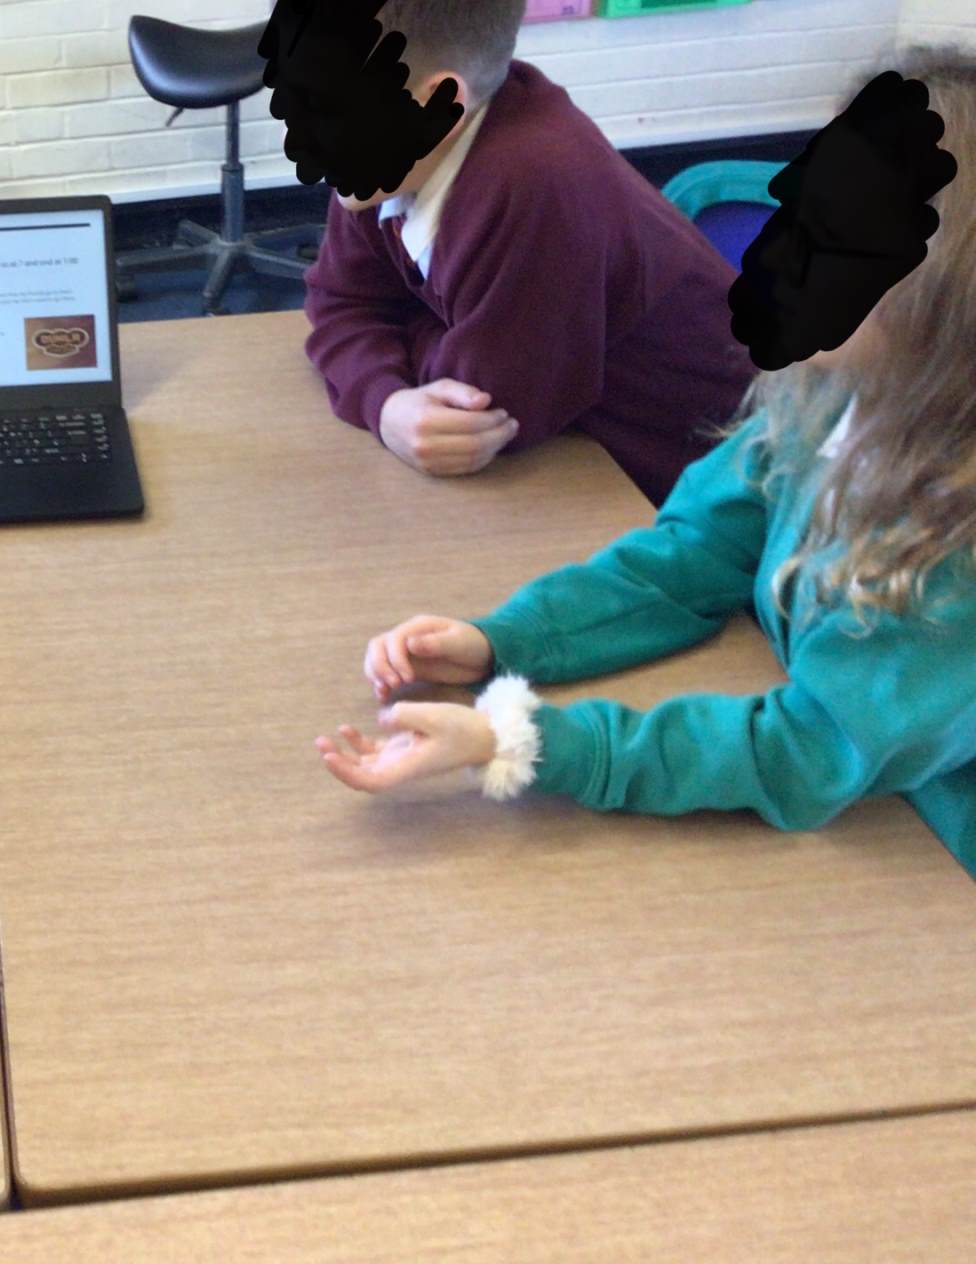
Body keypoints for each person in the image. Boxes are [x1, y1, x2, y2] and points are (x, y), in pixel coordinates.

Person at [315, 51, 975, 879]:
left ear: (945, 299)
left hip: (932, 875)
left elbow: (803, 754)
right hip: (872, 815)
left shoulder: (955, 545)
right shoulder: (833, 398)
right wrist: (504, 640)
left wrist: (517, 740)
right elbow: (693, 555)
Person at [276, 0, 752, 502]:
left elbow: (482, 414)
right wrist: (387, 401)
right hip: (588, 453)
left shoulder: (533, 183)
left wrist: (397, 344)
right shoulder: (382, 161)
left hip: (702, 491)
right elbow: (339, 301)